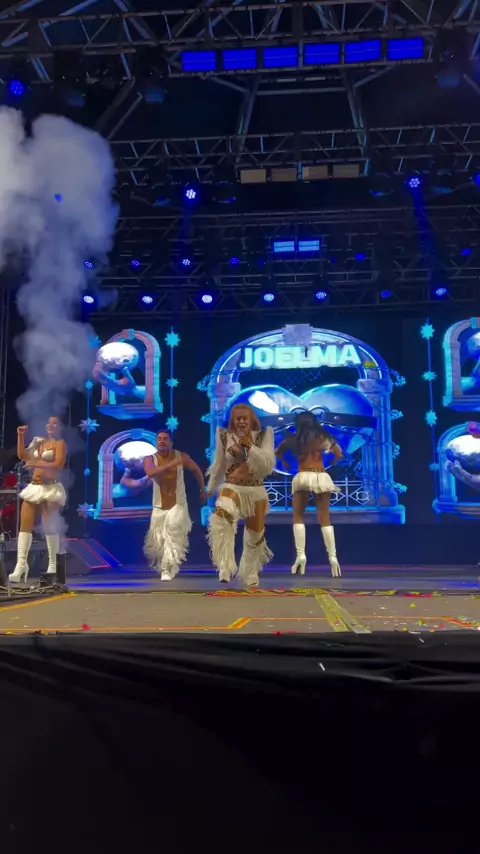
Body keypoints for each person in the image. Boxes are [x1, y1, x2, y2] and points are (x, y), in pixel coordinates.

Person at [207, 404, 275, 586]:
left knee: (255, 532)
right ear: (233, 420)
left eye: (245, 418)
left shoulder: (263, 435)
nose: (242, 422)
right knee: (223, 514)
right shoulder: (224, 435)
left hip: (255, 489)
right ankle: (225, 565)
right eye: (238, 418)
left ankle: (250, 571)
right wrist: (211, 487)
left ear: (251, 420)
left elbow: (268, 464)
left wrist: (250, 447)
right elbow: (218, 463)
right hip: (232, 485)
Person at [275, 411, 343, 577]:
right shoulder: (322, 438)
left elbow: (277, 451)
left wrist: (284, 462)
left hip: (303, 476)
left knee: (298, 517)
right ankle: (333, 557)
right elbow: (339, 454)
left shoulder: (294, 439)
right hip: (320, 476)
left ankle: (301, 556)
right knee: (324, 518)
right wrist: (332, 461)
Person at [9, 417, 67, 583]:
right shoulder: (39, 442)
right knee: (25, 525)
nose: (51, 425)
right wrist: (21, 436)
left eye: (55, 423)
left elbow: (58, 464)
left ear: (60, 427)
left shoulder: (60, 444)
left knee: (49, 525)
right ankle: (21, 565)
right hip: (34, 487)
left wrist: (35, 463)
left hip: (51, 488)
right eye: (49, 422)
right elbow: (22, 456)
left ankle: (53, 564)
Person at [143, 430, 206, 581]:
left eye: (165, 439)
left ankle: (167, 568)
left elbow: (196, 470)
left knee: (173, 533)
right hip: (159, 506)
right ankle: (168, 566)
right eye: (159, 439)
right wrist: (172, 464)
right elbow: (151, 472)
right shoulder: (149, 459)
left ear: (171, 442)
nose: (162, 441)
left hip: (178, 503)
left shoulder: (181, 456)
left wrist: (202, 489)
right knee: (159, 541)